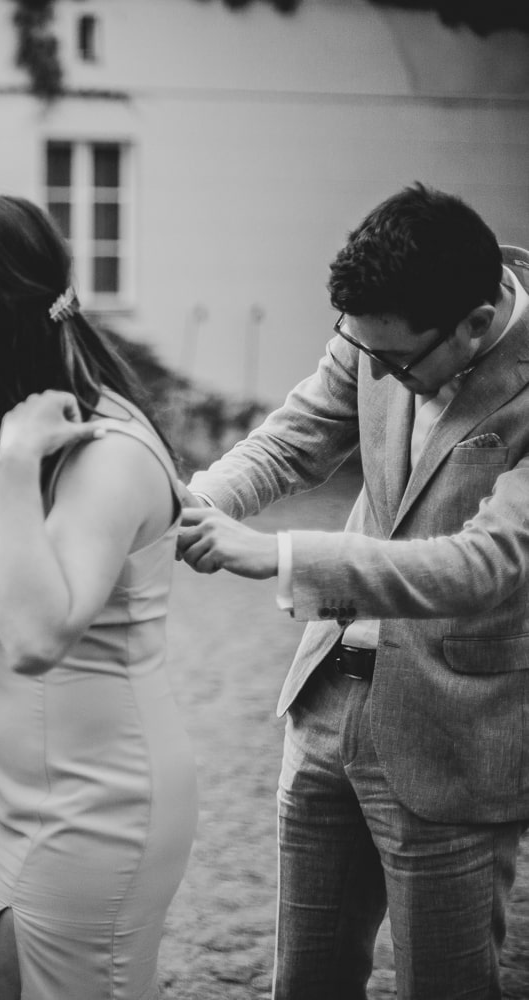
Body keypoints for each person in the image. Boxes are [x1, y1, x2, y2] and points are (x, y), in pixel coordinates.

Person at [176, 184, 529, 998]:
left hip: (456, 734)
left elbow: (485, 566)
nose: (372, 371)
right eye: (357, 350)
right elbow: (291, 441)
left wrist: (283, 557)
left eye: (394, 361)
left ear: (475, 325)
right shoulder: (380, 334)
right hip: (326, 699)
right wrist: (191, 504)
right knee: (305, 980)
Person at [0, 195, 198, 1000]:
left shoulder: (106, 451)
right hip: (22, 799)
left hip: (101, 802)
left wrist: (18, 470)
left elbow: (40, 640)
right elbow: (45, 586)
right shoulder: (16, 420)